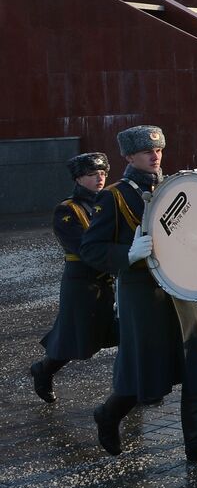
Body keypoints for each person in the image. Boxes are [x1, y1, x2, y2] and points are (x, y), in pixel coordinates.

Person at [84, 125, 197, 463]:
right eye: (147, 151)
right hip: (143, 293)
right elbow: (91, 248)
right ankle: (108, 415)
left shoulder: (175, 188)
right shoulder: (114, 196)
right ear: (128, 156)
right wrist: (128, 254)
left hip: (181, 286)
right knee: (144, 370)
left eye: (159, 149)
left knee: (196, 364)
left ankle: (196, 442)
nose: (155, 155)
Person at [30, 152, 118, 402]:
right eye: (92, 175)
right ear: (79, 178)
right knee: (75, 339)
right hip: (82, 283)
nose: (99, 179)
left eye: (102, 173)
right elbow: (84, 248)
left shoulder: (110, 201)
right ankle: (43, 370)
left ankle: (127, 390)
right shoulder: (67, 210)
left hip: (111, 279)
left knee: (126, 332)